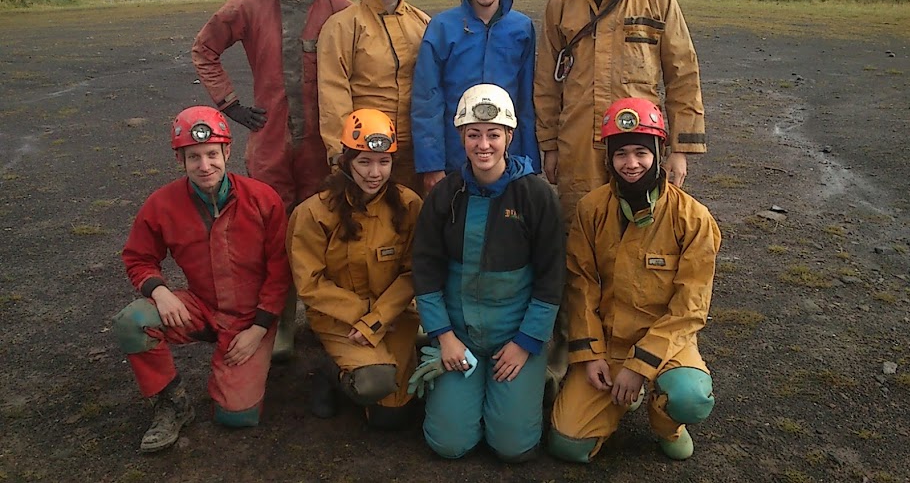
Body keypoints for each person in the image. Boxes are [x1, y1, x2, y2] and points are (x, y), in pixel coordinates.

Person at [192, 0, 351, 359]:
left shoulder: (340, 10)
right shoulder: (249, 6)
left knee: (326, 230)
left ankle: (325, 318)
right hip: (271, 145)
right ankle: (278, 322)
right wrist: (230, 105)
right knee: (273, 235)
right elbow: (204, 49)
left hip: (322, 146)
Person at [548, 97, 720, 463]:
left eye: (641, 152)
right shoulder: (591, 210)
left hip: (667, 346)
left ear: (658, 153)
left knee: (688, 396)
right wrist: (590, 354)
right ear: (608, 159)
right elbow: (581, 287)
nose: (631, 164)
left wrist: (640, 366)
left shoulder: (693, 219)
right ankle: (619, 400)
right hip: (609, 345)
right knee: (567, 445)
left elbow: (690, 308)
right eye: (621, 154)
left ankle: (667, 423)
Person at [112, 106, 290, 453]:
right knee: (134, 321)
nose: (204, 165)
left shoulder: (263, 199)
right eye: (193, 157)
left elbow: (280, 270)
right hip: (203, 308)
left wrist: (259, 329)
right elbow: (138, 258)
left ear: (227, 152)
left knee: (236, 416)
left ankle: (241, 367)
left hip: (251, 318)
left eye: (211, 154)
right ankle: (172, 404)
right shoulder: (162, 204)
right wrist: (160, 291)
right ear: (180, 159)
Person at [410, 84, 565, 461]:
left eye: (493, 135)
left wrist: (525, 343)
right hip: (459, 337)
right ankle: (463, 390)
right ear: (461, 136)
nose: (483, 145)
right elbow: (426, 270)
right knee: (449, 444)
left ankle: (532, 379)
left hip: (514, 337)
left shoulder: (536, 196)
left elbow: (551, 278)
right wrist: (444, 336)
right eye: (473, 135)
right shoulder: (444, 195)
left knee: (514, 447)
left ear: (509, 136)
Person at [534, 0, 707, 223]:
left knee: (640, 228)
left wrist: (680, 150)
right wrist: (550, 145)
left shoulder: (659, 1)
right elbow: (546, 82)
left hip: (638, 145)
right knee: (581, 227)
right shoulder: (560, 5)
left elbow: (683, 77)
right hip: (577, 147)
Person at [287, 109, 422, 429]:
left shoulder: (409, 205)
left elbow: (413, 272)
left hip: (392, 317)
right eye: (364, 162)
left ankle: (381, 368)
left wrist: (380, 317)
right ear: (346, 161)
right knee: (375, 383)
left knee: (392, 417)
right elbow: (310, 284)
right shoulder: (314, 213)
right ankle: (330, 372)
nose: (375, 173)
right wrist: (365, 315)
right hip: (341, 320)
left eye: (384, 162)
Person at [411, 0, 540, 195]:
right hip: (454, 159)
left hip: (507, 159)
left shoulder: (522, 29)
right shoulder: (442, 28)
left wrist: (530, 163)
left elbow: (527, 100)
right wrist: (432, 164)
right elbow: (427, 99)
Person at [317, 0, 429, 195]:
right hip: (365, 155)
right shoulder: (343, 25)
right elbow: (333, 91)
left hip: (414, 153)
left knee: (412, 215)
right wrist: (340, 153)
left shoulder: (424, 24)